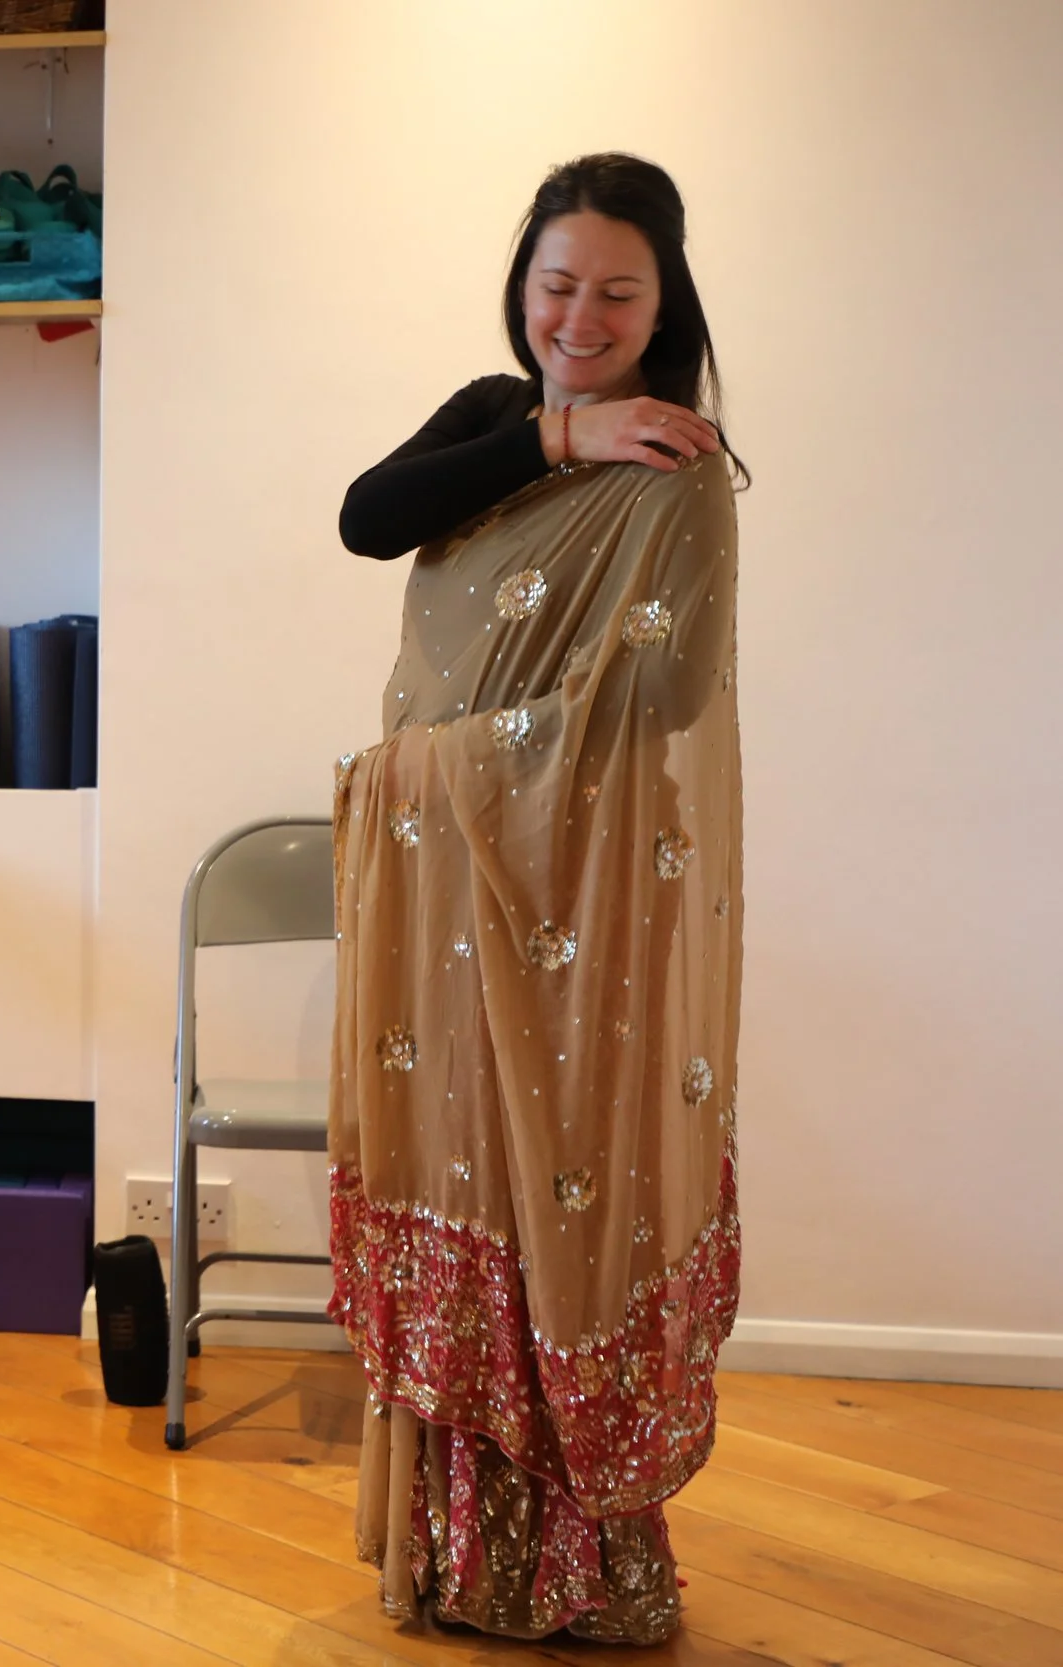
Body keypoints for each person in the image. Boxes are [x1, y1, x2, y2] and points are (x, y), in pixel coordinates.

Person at [326, 153, 742, 1643]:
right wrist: (560, 433)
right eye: (556, 283)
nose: (579, 313)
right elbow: (370, 517)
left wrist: (461, 764)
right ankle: (451, 1554)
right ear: (524, 285)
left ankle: (575, 1558)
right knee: (459, 1176)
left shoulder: (680, 474)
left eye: (616, 292)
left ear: (663, 300)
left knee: (559, 1198)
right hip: (438, 901)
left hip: (571, 904)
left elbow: (670, 688)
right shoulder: (499, 419)